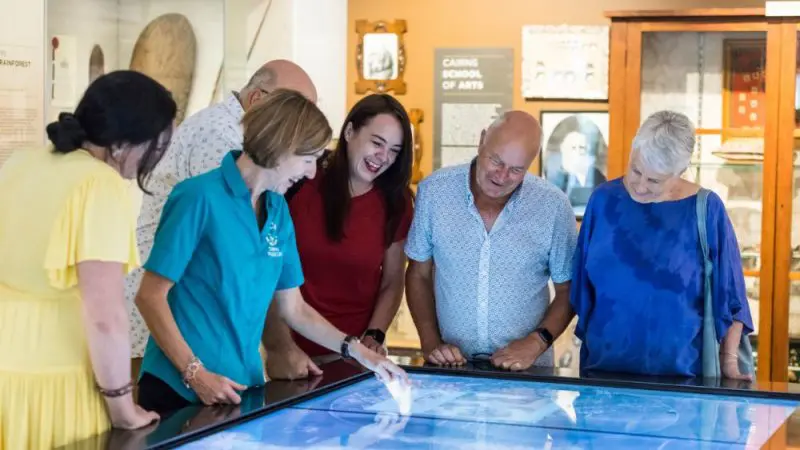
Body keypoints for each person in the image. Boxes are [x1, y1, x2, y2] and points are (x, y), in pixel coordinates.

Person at [135, 89, 408, 415]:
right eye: (308, 160)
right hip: (177, 386)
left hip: (241, 385)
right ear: (281, 147)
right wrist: (194, 373)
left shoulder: (277, 210)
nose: (310, 172)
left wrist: (360, 353)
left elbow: (294, 308)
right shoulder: (198, 197)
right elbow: (150, 296)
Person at [0, 70, 176, 449]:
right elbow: (105, 316)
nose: (154, 158)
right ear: (123, 144)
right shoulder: (99, 185)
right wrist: (124, 408)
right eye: (155, 146)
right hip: (54, 380)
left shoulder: (21, 163)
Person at [126, 59, 318, 359]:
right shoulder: (219, 139)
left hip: (205, 333)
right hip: (165, 330)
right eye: (295, 109)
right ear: (257, 99)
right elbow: (239, 256)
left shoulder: (269, 190)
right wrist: (280, 347)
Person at [570, 110, 753, 379]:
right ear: (632, 150)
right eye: (636, 170)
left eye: (654, 180)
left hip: (683, 381)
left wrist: (728, 363)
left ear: (680, 172)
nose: (640, 187)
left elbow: (732, 295)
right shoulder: (603, 201)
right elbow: (580, 289)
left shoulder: (706, 209)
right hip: (602, 372)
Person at [404, 111, 578, 371]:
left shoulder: (553, 206)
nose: (501, 175)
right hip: (451, 367)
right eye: (496, 160)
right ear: (482, 140)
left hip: (528, 372)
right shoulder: (434, 192)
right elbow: (418, 273)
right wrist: (430, 341)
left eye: (516, 170)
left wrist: (536, 342)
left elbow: (569, 290)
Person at [263, 94, 414, 380]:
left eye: (394, 150)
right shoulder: (300, 180)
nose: (383, 157)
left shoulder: (396, 202)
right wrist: (280, 346)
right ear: (349, 132)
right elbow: (267, 275)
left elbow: (393, 280)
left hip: (353, 356)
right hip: (286, 352)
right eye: (377, 143)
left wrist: (374, 335)